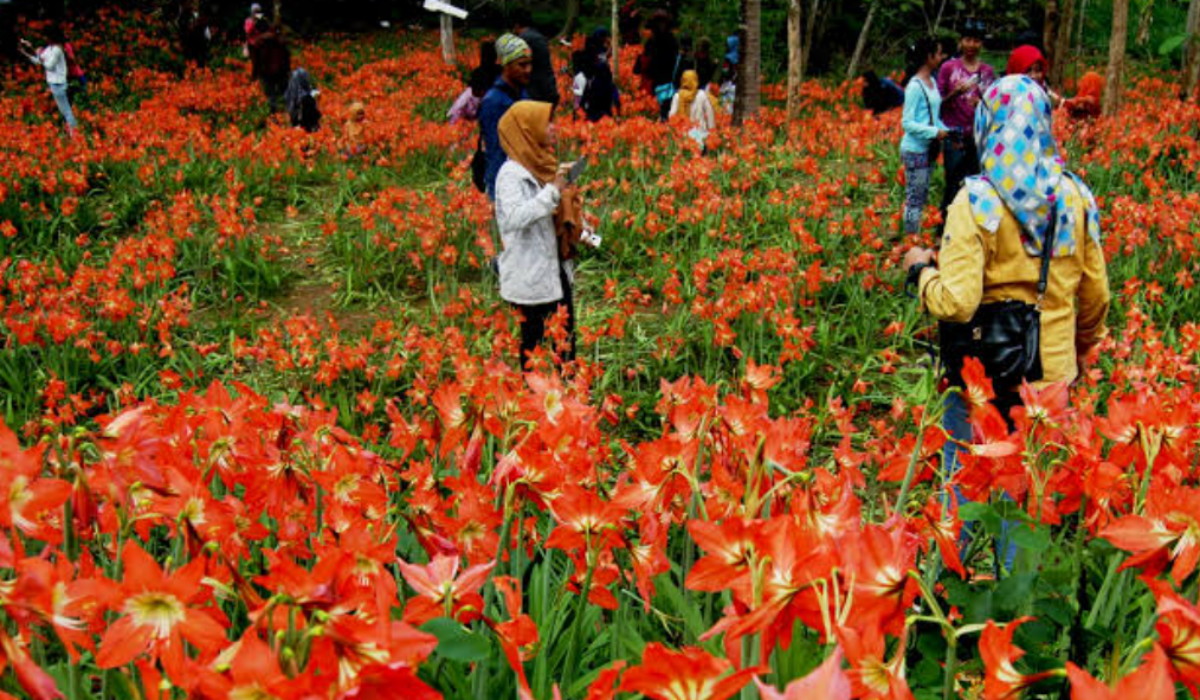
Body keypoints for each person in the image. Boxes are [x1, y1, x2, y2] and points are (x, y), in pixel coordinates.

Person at [902, 74, 1109, 571]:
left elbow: (956, 302)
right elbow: (1096, 295)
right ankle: (1013, 603)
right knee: (1027, 489)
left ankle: (946, 584)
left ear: (986, 125)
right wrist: (1079, 351)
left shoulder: (975, 201)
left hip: (981, 372)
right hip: (1050, 376)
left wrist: (920, 270)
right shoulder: (1075, 199)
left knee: (963, 477)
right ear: (1043, 124)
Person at [494, 101, 577, 369]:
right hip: (529, 276)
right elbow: (513, 218)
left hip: (553, 269)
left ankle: (567, 401)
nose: (553, 128)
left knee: (565, 341)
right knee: (534, 346)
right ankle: (535, 403)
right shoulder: (510, 175)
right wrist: (553, 191)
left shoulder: (540, 164)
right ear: (527, 130)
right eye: (547, 122)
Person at [937, 19, 995, 219]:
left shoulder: (987, 72)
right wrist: (955, 92)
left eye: (976, 41)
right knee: (953, 181)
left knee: (977, 183)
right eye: (968, 40)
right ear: (961, 42)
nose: (972, 45)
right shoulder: (948, 68)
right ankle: (945, 225)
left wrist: (982, 104)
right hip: (953, 134)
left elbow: (994, 104)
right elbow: (938, 102)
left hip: (978, 135)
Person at [900, 38, 948, 236]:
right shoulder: (914, 86)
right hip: (915, 149)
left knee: (922, 193)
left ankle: (913, 235)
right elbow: (907, 123)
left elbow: (933, 116)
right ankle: (911, 239)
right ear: (929, 57)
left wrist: (947, 130)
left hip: (928, 149)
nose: (941, 57)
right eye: (938, 53)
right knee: (915, 197)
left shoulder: (932, 82)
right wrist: (934, 132)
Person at [479, 34, 532, 199]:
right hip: (505, 182)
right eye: (522, 65)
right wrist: (499, 194)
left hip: (526, 174)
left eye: (530, 64)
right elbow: (496, 151)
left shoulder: (522, 92)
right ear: (506, 65)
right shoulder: (493, 101)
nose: (528, 70)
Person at [18, 25, 77, 133]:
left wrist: (33, 49)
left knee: (66, 111)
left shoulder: (57, 50)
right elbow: (39, 61)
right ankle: (72, 132)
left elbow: (49, 66)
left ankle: (75, 135)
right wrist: (25, 52)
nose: (45, 38)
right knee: (64, 110)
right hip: (54, 84)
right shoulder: (49, 49)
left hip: (58, 84)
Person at [511, 9, 558, 108]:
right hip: (548, 87)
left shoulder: (523, 40)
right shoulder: (539, 37)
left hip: (534, 92)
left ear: (516, 25)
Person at [641, 10, 681, 120]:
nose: (661, 26)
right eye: (659, 23)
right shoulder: (651, 41)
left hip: (668, 80)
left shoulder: (672, 40)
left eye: (663, 23)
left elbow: (676, 59)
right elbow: (645, 61)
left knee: (665, 109)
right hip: (654, 80)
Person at [669, 69, 715, 149]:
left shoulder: (677, 96)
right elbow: (710, 113)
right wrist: (712, 130)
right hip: (700, 134)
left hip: (683, 135)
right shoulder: (702, 95)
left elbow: (672, 116)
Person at [580, 28, 619, 122]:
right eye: (605, 37)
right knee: (597, 105)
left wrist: (609, 47)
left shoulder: (599, 47)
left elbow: (606, 56)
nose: (606, 39)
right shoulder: (591, 48)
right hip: (596, 82)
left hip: (604, 80)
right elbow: (599, 61)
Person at [250, 20, 290, 112]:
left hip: (265, 71)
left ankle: (273, 113)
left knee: (270, 94)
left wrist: (254, 75)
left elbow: (255, 61)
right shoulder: (278, 39)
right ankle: (289, 110)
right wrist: (287, 69)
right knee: (285, 91)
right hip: (281, 70)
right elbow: (286, 54)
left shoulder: (257, 42)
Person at [180, 1, 214, 67]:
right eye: (193, 3)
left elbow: (206, 29)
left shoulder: (203, 14)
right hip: (189, 43)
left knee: (201, 62)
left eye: (196, 3)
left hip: (200, 43)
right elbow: (183, 26)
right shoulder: (185, 14)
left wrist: (208, 35)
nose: (195, 5)